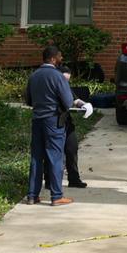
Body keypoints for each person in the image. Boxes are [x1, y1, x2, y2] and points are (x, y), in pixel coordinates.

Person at [22, 45, 75, 206]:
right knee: (55, 157)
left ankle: (32, 195)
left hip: (37, 120)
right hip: (53, 121)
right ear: (52, 58)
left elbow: (28, 100)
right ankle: (57, 196)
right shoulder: (58, 76)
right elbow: (68, 102)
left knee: (36, 157)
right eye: (60, 57)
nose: (61, 59)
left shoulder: (34, 75)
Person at [52, 49, 90, 188]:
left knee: (72, 147)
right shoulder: (53, 84)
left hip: (66, 120)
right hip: (54, 120)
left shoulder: (65, 85)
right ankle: (49, 178)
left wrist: (84, 105)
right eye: (64, 80)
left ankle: (74, 179)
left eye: (68, 81)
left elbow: (74, 99)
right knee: (54, 152)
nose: (65, 83)